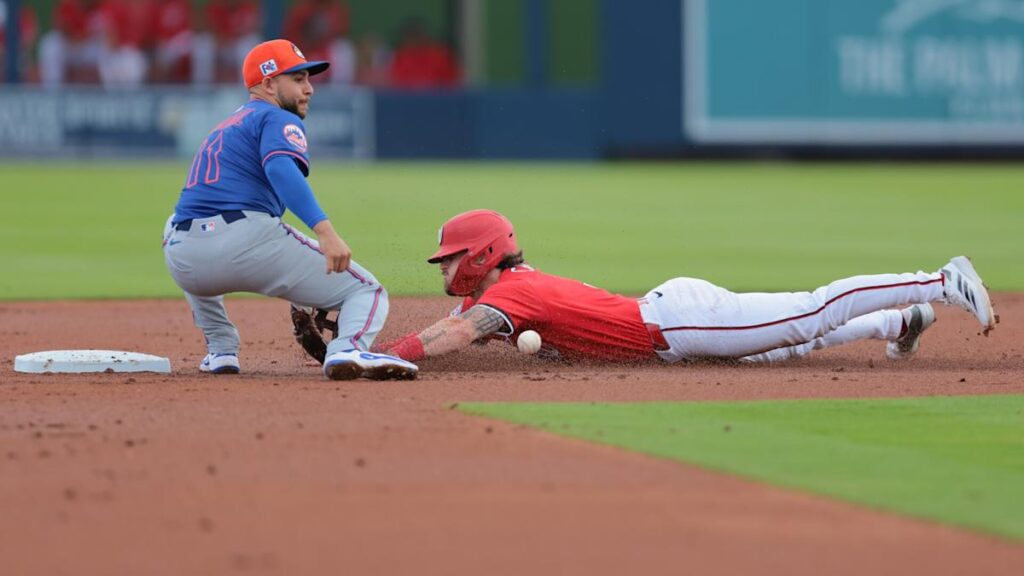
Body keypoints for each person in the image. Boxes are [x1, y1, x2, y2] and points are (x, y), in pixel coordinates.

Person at [375, 209, 997, 367]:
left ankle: (942, 280)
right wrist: (338, 345)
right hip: (675, 322)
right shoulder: (505, 287)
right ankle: (899, 320)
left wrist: (386, 356)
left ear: (481, 253)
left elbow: (456, 331)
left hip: (677, 324)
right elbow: (463, 316)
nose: (443, 268)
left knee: (807, 314)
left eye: (451, 257)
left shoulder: (509, 297)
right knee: (789, 348)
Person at [162, 39, 418, 381]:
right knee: (366, 291)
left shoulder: (226, 125)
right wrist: (324, 231)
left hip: (185, 258)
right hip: (247, 241)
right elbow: (281, 170)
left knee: (174, 226)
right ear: (268, 84)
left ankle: (221, 350)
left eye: (308, 79)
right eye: (297, 79)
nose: (309, 89)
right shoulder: (277, 117)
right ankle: (348, 348)